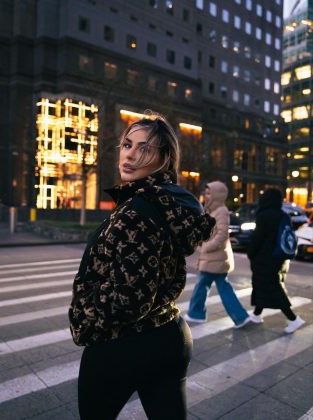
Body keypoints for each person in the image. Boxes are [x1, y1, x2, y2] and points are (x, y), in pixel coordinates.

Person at [69, 113, 215, 420]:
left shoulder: (137, 210)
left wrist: (84, 317)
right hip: (169, 336)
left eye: (144, 148)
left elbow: (131, 296)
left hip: (122, 345)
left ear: (164, 158)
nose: (130, 154)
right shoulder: (167, 205)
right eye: (126, 144)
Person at [185, 181, 251, 328]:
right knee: (217, 287)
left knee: (204, 285)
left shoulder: (221, 211)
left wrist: (205, 247)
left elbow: (222, 235)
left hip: (215, 257)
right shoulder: (213, 210)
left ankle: (196, 314)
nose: (206, 195)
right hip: (215, 258)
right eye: (206, 192)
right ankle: (239, 317)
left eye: (209, 193)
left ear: (217, 195)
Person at [247, 188, 305, 334]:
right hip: (279, 257)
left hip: (265, 258)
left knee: (271, 287)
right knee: (263, 284)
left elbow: (257, 238)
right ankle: (256, 314)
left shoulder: (264, 215)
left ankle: (293, 319)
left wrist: (251, 253)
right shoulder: (283, 215)